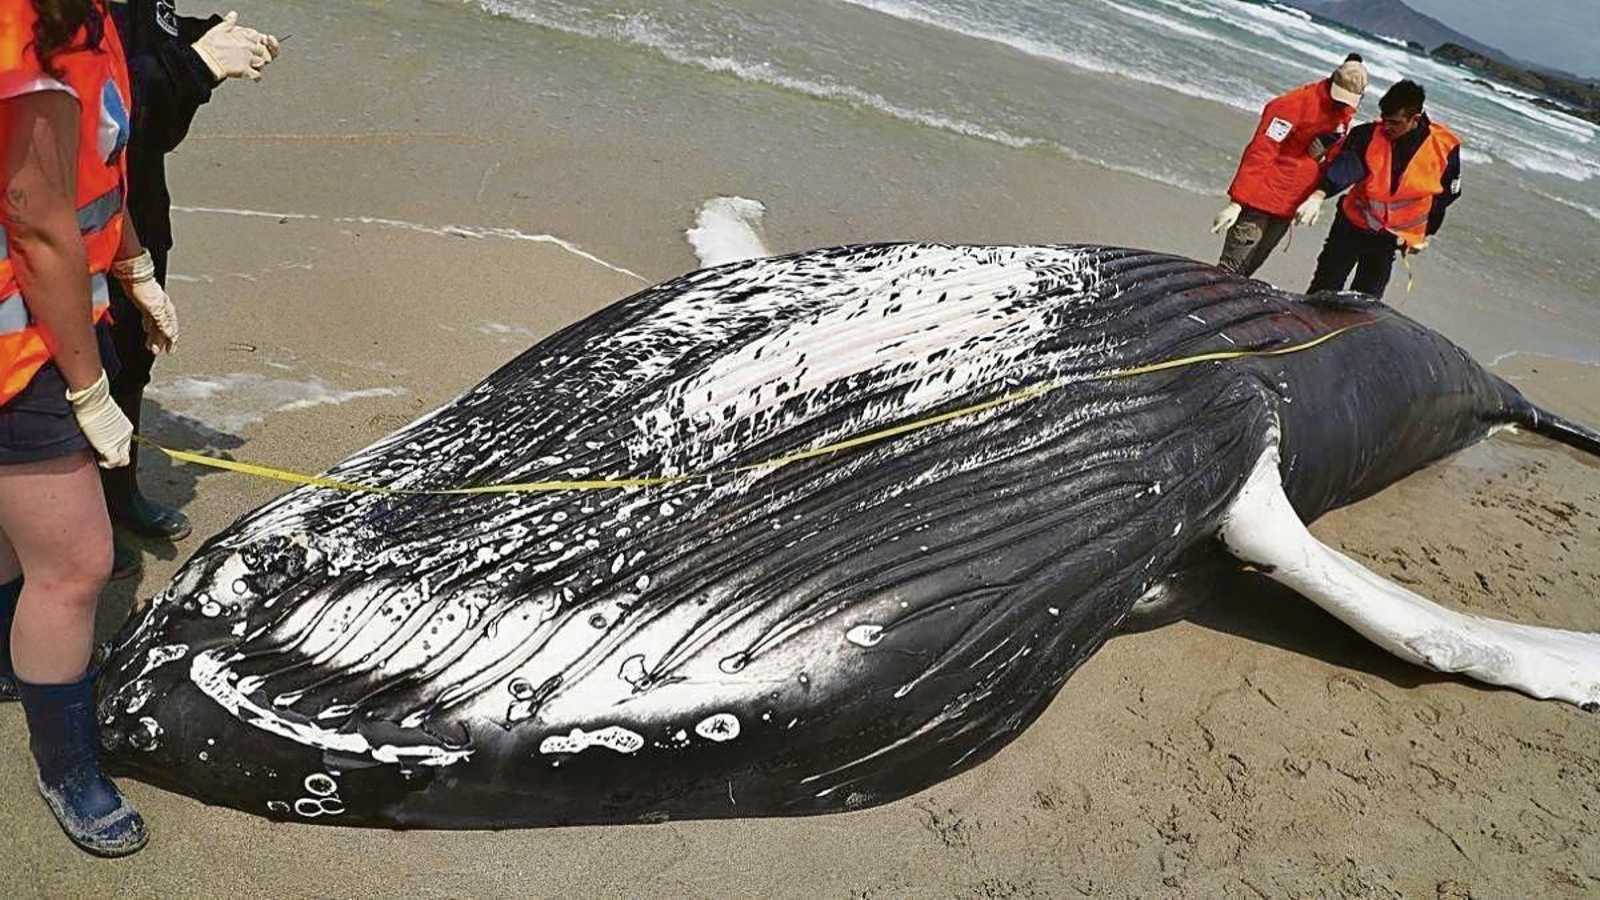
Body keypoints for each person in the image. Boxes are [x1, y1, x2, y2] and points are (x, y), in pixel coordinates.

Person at [1, 0, 178, 856]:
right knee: (77, 563)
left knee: (18, 533)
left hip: (59, 314)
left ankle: (7, 658)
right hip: (20, 343)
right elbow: (35, 223)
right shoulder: (19, 26)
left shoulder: (94, 13)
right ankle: (66, 765)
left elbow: (100, 162)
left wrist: (134, 261)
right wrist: (86, 388)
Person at [102, 3, 278, 578]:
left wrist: (211, 38)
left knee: (134, 359)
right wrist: (199, 65)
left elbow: (153, 41)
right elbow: (111, 114)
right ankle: (61, 524)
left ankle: (116, 494)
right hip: (79, 217)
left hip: (141, 206)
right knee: (80, 376)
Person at [1298, 79, 1463, 298]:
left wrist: (1424, 234)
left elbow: (1444, 196)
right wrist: (1318, 195)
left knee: (1366, 299)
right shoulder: (1366, 135)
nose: (1386, 127)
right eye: (1384, 120)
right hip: (1352, 224)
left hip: (1388, 237)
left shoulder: (1445, 147)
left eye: (1394, 122)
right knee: (1325, 286)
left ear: (1415, 119)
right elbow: (1346, 167)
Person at [1212, 54, 1368, 278]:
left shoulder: (1344, 115)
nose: (1343, 104)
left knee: (1249, 270)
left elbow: (1332, 159)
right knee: (1230, 269)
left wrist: (1317, 192)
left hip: (1289, 204)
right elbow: (1261, 151)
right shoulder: (1292, 105)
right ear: (1331, 80)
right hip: (1259, 199)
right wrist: (1237, 201)